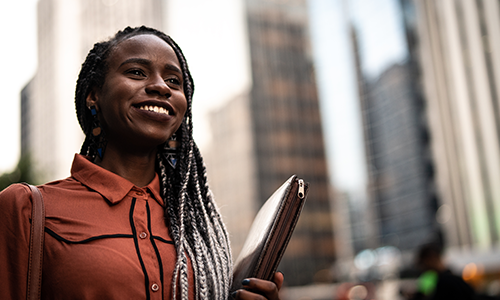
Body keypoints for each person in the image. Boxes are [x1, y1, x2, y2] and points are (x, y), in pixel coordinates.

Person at [0, 26, 283, 300]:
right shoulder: (27, 209)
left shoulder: (198, 228)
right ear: (93, 95)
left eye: (174, 81)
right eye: (136, 72)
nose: (161, 86)